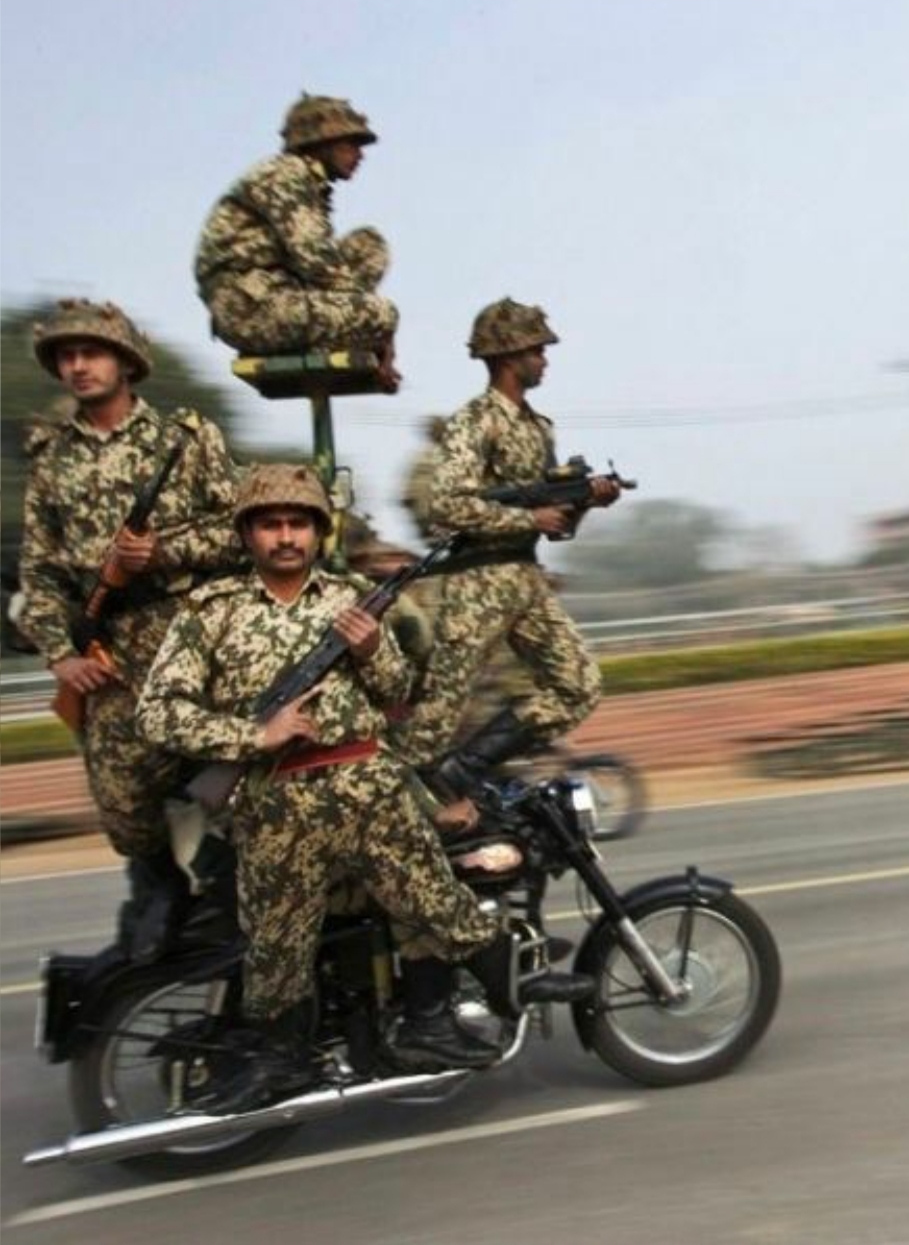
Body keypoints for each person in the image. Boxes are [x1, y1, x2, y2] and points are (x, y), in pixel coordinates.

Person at [136, 464, 594, 1113]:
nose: (286, 536)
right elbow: (156, 712)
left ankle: (493, 990)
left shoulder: (350, 599)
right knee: (278, 943)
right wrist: (252, 735)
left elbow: (397, 691)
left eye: (299, 522)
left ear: (318, 531)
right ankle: (280, 1057)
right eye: (271, 524)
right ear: (248, 532)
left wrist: (376, 647)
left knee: (435, 897)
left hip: (365, 782)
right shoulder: (210, 612)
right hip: (276, 799)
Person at [18, 298, 243, 959]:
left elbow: (240, 530)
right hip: (106, 649)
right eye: (67, 356)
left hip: (187, 637)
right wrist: (61, 653)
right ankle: (158, 886)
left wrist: (164, 553)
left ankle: (234, 886)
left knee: (232, 772)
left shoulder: (182, 440)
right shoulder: (52, 458)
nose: (78, 365)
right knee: (121, 799)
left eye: (92, 352)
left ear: (125, 361)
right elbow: (39, 575)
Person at [393, 298, 621, 794]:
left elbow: (555, 528)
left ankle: (466, 770)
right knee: (438, 711)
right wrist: (526, 516)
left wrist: (585, 502)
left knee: (577, 685)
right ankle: (389, 804)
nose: (544, 359)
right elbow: (446, 506)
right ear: (508, 354)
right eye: (536, 350)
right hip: (477, 582)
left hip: (525, 577)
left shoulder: (540, 429)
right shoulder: (474, 422)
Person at [194, 92, 400, 391]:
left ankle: (325, 339)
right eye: (351, 143)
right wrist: (383, 338)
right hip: (249, 309)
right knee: (382, 314)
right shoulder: (286, 174)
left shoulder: (306, 181)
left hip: (279, 294)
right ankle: (320, 341)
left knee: (368, 246)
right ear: (322, 142)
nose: (359, 154)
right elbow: (319, 263)